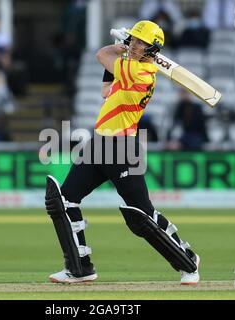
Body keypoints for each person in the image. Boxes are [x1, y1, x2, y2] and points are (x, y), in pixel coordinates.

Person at [45, 21, 200, 285]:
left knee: (141, 216)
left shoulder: (141, 72)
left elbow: (101, 55)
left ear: (153, 50)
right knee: (63, 200)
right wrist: (126, 48)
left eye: (142, 43)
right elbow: (106, 90)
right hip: (98, 145)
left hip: (122, 150)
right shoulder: (128, 70)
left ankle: (188, 260)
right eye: (135, 40)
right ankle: (79, 268)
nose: (137, 46)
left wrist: (120, 46)